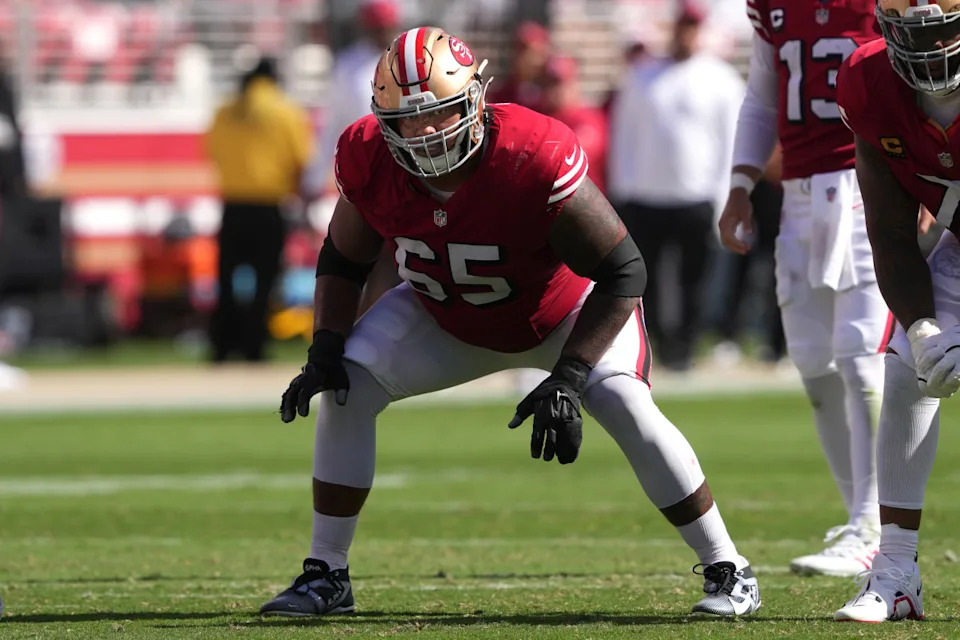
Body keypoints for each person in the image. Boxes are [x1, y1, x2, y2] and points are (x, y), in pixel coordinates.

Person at [259, 26, 761, 619]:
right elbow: (344, 258)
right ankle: (327, 575)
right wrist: (323, 349)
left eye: (439, 114)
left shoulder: (532, 151)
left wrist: (571, 377)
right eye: (406, 122)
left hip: (564, 312)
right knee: (345, 387)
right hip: (442, 312)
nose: (423, 134)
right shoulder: (368, 153)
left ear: (475, 100)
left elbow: (624, 270)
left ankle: (731, 569)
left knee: (625, 404)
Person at [718, 0, 888, 577]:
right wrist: (741, 182)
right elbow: (763, 95)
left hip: (869, 184)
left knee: (862, 359)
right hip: (797, 195)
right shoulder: (771, 6)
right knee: (815, 364)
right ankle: (857, 522)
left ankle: (874, 528)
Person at [831, 0, 960, 622]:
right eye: (918, 34)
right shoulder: (868, 81)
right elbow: (888, 229)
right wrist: (924, 326)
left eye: (946, 30)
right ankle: (896, 572)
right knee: (911, 362)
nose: (933, 49)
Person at [608, 1, 744, 370]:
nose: (686, 33)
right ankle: (651, 348)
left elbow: (730, 143)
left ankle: (683, 350)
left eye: (692, 26)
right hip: (646, 197)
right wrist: (624, 190)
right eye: (682, 25)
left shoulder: (721, 78)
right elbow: (624, 136)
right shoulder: (642, 74)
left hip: (696, 197)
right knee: (644, 280)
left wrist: (722, 197)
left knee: (692, 281)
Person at [205, 57, 314, 362]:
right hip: (269, 207)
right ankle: (254, 345)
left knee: (226, 280)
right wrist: (301, 201)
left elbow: (210, 151)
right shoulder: (286, 110)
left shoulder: (225, 110)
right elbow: (301, 160)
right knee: (265, 281)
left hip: (233, 205)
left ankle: (222, 346)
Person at [302, 0, 401, 197]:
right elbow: (334, 122)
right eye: (377, 28)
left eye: (386, 28)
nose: (383, 34)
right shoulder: (348, 65)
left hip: (405, 164)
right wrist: (313, 179)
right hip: (366, 166)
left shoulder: (407, 58)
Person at [540, 55, 608, 194]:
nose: (555, 90)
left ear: (575, 83)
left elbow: (569, 157)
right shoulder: (542, 114)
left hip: (585, 205)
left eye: (561, 83)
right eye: (550, 83)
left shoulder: (588, 117)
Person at [485, 21, 551, 110]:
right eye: (521, 51)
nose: (527, 58)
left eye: (533, 52)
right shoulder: (503, 94)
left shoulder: (552, 93)